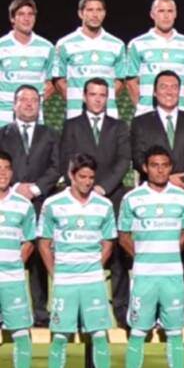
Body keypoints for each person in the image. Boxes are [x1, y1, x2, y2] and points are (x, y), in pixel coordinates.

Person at [38, 153, 119, 368]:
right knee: (60, 336)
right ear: (71, 176)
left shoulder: (103, 205)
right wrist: (55, 273)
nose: (87, 182)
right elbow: (44, 243)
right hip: (65, 281)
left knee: (99, 335)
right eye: (82, 176)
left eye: (91, 177)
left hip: (93, 281)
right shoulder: (53, 204)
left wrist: (95, 267)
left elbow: (108, 241)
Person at [131, 70, 184, 324]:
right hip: (153, 197)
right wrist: (164, 178)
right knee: (155, 252)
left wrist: (183, 180)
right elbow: (138, 156)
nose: (169, 91)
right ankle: (152, 311)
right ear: (154, 92)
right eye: (163, 86)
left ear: (181, 91)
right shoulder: (141, 122)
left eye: (174, 86)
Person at [118, 146, 184, 368]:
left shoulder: (183, 198)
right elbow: (123, 235)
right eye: (154, 165)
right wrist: (140, 256)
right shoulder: (132, 198)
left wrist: (170, 250)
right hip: (144, 277)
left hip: (172, 276)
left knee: (175, 332)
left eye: (164, 165)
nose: (160, 170)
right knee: (138, 331)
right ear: (145, 168)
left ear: (170, 167)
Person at [59, 78, 131, 324]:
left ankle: (121, 312)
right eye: (93, 94)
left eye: (102, 95)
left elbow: (124, 160)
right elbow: (66, 160)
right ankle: (77, 312)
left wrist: (103, 187)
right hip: (81, 198)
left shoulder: (118, 126)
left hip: (112, 195)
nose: (98, 99)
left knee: (118, 256)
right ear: (84, 97)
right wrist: (84, 188)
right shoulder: (71, 126)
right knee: (80, 253)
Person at [0, 85, 60, 326]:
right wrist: (15, 188)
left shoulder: (51, 134)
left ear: (39, 105)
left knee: (38, 258)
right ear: (14, 104)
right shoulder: (2, 133)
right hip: (8, 203)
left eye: (34, 100)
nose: (28, 104)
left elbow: (56, 166)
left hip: (40, 202)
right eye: (23, 99)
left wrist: (34, 188)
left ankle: (40, 312)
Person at [0, 150, 38, 368]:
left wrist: (14, 264)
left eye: (6, 168)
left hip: (12, 280)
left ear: (12, 172)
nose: (2, 173)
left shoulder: (23, 205)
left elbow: (29, 241)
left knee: (22, 333)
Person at [125, 0, 184, 116]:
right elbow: (131, 80)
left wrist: (179, 101)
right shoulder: (137, 44)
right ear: (152, 14)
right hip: (146, 113)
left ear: (175, 14)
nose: (166, 16)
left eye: (170, 11)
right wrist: (142, 106)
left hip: (178, 115)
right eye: (161, 11)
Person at [53, 0, 126, 119]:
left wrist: (101, 99)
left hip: (109, 116)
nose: (95, 14)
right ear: (81, 13)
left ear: (104, 13)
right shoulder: (64, 44)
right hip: (75, 115)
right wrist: (77, 99)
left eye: (99, 10)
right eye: (90, 10)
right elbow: (59, 79)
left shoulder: (117, 44)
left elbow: (120, 80)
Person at [0, 0, 54, 126]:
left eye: (30, 14)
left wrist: (33, 102)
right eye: (21, 14)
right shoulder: (1, 45)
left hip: (35, 118)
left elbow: (51, 83)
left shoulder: (47, 47)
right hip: (4, 117)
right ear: (12, 18)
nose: (26, 18)